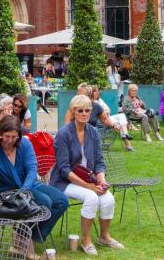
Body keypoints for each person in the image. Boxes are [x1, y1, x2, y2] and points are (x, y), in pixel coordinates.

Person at [0, 116, 69, 252]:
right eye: (7, 136)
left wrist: (25, 189)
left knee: (62, 201)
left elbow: (32, 168)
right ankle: (24, 242)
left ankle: (27, 238)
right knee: (46, 202)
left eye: (14, 137)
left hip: (27, 186)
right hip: (5, 194)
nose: (10, 140)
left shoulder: (24, 144)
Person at [51, 95, 123, 255]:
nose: (84, 114)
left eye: (87, 111)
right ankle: (86, 240)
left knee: (109, 199)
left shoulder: (94, 132)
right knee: (92, 197)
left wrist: (101, 181)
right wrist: (90, 187)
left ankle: (104, 237)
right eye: (80, 111)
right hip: (64, 181)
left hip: (88, 178)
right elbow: (64, 169)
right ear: (73, 112)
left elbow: (99, 161)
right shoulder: (63, 134)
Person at [91, 86, 135, 151]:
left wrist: (105, 111)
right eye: (95, 91)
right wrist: (103, 112)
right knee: (119, 123)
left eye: (97, 91)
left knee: (121, 115)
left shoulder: (99, 100)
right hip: (101, 121)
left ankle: (125, 134)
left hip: (107, 117)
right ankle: (128, 145)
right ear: (91, 93)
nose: (97, 92)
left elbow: (108, 109)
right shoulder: (90, 102)